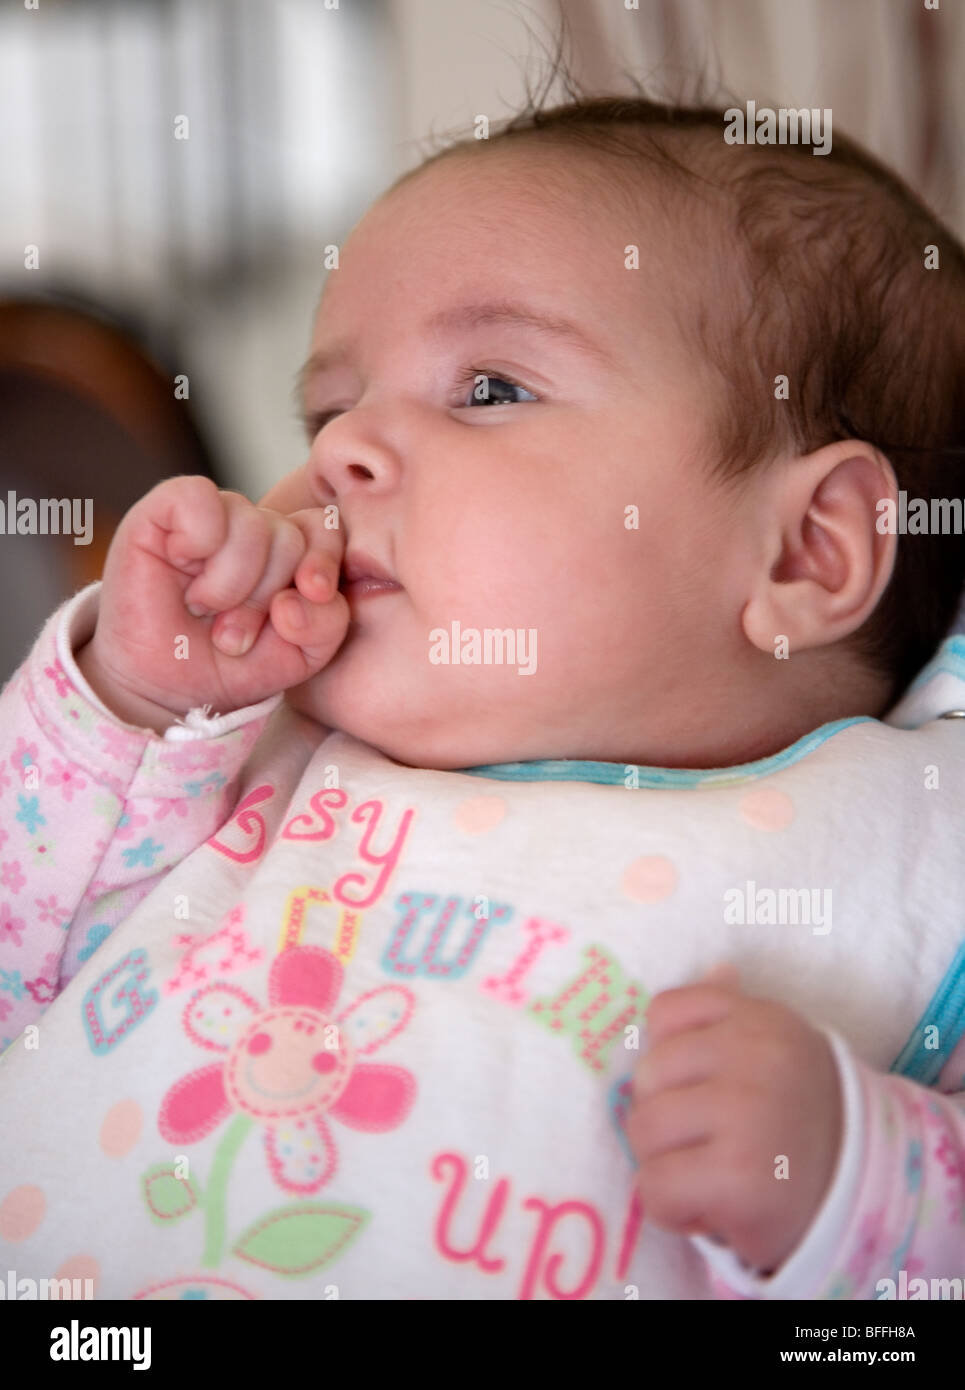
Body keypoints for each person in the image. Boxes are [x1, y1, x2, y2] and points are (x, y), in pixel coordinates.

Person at [1, 94, 964, 1301]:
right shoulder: (226, 759)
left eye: (490, 389)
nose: (341, 450)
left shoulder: (911, 850)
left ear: (803, 554)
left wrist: (855, 1179)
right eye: (325, 408)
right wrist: (132, 701)